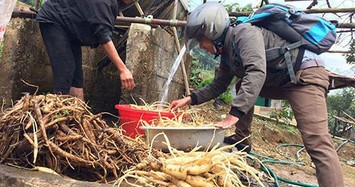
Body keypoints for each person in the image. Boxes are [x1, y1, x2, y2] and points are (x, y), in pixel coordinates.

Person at [170, 2, 344, 187]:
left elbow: (256, 72)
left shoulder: (244, 33)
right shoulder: (228, 52)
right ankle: (241, 140)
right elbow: (219, 84)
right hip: (281, 78)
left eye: (201, 40)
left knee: (317, 142)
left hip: (305, 76)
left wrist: (234, 114)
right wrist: (190, 99)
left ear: (213, 32)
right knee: (241, 83)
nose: (201, 46)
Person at [35, 0, 135, 100]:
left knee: (77, 79)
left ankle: (79, 112)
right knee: (66, 70)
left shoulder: (116, 3)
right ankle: (58, 110)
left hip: (71, 28)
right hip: (55, 20)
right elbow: (103, 36)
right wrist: (123, 69)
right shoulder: (103, 2)